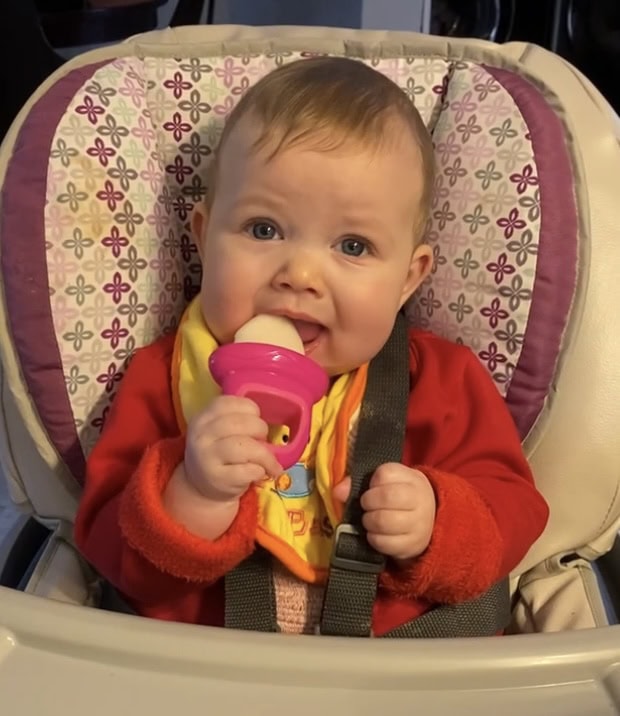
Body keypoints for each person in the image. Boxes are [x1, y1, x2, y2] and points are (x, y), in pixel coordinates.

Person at [74, 57, 549, 636]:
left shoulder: (441, 381)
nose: (299, 273)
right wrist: (191, 494)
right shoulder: (164, 377)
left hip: (402, 669)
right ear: (202, 237)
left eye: (352, 244)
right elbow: (109, 548)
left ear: (408, 278)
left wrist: (436, 520)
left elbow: (516, 511)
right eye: (263, 229)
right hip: (210, 671)